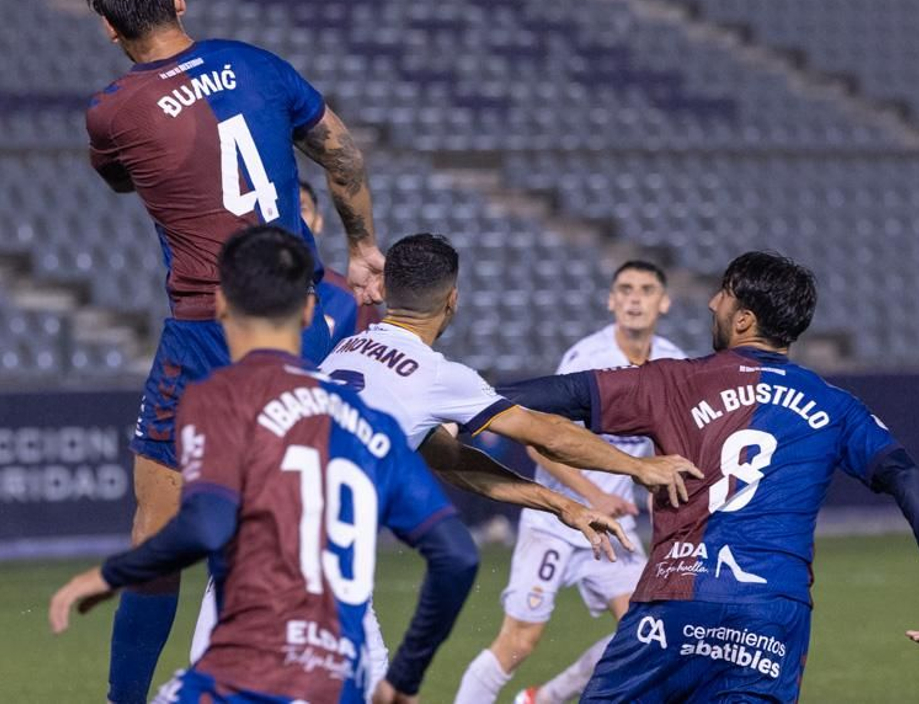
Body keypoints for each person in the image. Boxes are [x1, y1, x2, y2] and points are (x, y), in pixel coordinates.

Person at [84, 0, 386, 704]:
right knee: (281, 515)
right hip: (303, 314)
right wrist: (362, 247)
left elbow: (120, 176)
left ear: (109, 29)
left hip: (208, 327)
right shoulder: (258, 64)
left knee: (158, 533)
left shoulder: (113, 108)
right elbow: (343, 155)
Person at [189, 233, 664, 694]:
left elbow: (451, 460)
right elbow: (550, 432)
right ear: (452, 299)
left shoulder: (346, 351)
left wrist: (561, 504)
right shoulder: (436, 374)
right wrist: (640, 468)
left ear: (387, 290)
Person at [500, 251, 919, 703]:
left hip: (677, 600)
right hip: (771, 617)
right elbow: (906, 476)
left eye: (722, 294)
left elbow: (563, 394)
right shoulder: (836, 405)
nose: (711, 303)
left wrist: (470, 400)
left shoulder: (673, 381)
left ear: (743, 320)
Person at [50, 226, 478, 704]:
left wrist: (113, 574)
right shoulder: (370, 424)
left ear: (221, 306)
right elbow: (457, 556)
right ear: (311, 313)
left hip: (245, 675)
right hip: (340, 674)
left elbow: (207, 523)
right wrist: (406, 676)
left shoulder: (218, 400)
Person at [460, 260, 688, 704]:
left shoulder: (674, 365)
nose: (634, 298)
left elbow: (667, 445)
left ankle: (545, 698)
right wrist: (595, 495)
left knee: (646, 635)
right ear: (610, 300)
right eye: (625, 289)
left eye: (645, 290)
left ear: (664, 303)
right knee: (518, 643)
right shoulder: (588, 361)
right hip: (556, 519)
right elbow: (538, 443)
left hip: (612, 528)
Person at [300, 181, 382, 343]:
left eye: (302, 209)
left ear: (318, 222)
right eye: (283, 210)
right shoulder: (246, 290)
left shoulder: (351, 301)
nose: (294, 220)